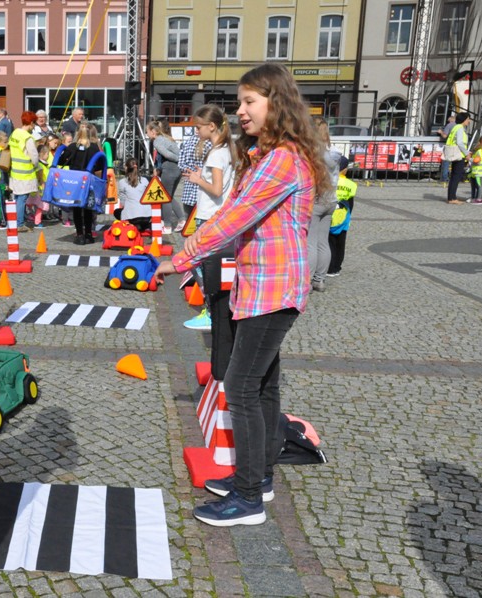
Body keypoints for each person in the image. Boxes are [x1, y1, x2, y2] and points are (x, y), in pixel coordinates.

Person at [155, 63, 329, 526]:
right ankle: (259, 477)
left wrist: (182, 258)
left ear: (277, 102)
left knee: (241, 386)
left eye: (250, 101)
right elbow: (232, 209)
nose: (241, 111)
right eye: (240, 102)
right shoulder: (265, 155)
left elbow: (235, 217)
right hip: (261, 286)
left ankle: (248, 497)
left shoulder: (284, 159)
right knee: (263, 384)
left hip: (274, 287)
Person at [181, 104, 236, 330]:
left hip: (209, 216)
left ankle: (212, 311)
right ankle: (216, 310)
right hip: (218, 215)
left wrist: (197, 180)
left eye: (199, 127)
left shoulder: (216, 153)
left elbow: (216, 189)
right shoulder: (226, 149)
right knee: (206, 263)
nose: (196, 131)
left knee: (197, 261)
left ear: (211, 126)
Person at [308, 118, 342, 293]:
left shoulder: (313, 153)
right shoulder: (334, 152)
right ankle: (319, 279)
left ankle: (307, 281)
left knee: (310, 242)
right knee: (323, 241)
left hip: (316, 199)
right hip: (331, 199)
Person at [58, 123, 102, 244]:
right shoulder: (94, 147)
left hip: (75, 181)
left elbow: (61, 161)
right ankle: (88, 234)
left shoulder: (72, 147)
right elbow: (99, 164)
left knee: (77, 208)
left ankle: (79, 235)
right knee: (88, 208)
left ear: (77, 133)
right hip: (89, 180)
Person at [146, 121, 185, 233]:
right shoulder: (166, 138)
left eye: (147, 131)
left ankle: (167, 226)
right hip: (176, 169)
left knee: (165, 198)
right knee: (170, 196)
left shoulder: (157, 141)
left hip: (169, 169)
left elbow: (167, 155)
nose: (146, 134)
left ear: (153, 132)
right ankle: (182, 219)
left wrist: (178, 159)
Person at [8, 111, 40, 233]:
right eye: (34, 123)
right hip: (25, 172)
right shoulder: (27, 137)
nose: (34, 126)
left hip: (15, 171)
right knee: (22, 198)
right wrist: (36, 166)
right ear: (31, 123)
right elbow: (34, 156)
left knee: (17, 197)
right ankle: (19, 224)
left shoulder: (15, 133)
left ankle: (15, 222)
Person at [328, 157, 357, 277]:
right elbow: (351, 204)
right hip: (344, 216)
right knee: (341, 243)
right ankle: (337, 267)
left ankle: (329, 267)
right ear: (344, 169)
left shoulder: (328, 181)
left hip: (330, 215)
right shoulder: (351, 184)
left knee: (329, 242)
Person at [115, 158, 152, 231]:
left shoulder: (122, 182)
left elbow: (123, 201)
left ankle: (134, 225)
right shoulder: (145, 180)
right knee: (142, 217)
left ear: (126, 168)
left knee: (116, 212)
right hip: (147, 215)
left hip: (132, 217)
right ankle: (146, 226)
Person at [443, 113, 471, 204]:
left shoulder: (456, 127)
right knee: (456, 176)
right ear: (463, 119)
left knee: (454, 176)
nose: (469, 121)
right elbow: (460, 142)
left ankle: (451, 197)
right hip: (459, 155)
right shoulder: (460, 128)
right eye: (468, 119)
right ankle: (452, 198)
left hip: (455, 153)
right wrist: (466, 153)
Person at [468, 135, 482, 205]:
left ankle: (479, 199)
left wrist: (469, 159)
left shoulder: (479, 151)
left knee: (479, 186)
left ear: (480, 142)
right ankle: (481, 198)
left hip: (478, 171)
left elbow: (477, 161)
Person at [436, 114, 456, 183]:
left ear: (450, 120)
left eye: (448, 121)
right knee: (455, 163)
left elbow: (444, 136)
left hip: (450, 146)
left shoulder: (449, 125)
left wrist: (441, 132)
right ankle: (455, 178)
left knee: (446, 162)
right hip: (457, 146)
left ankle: (444, 178)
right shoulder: (459, 126)